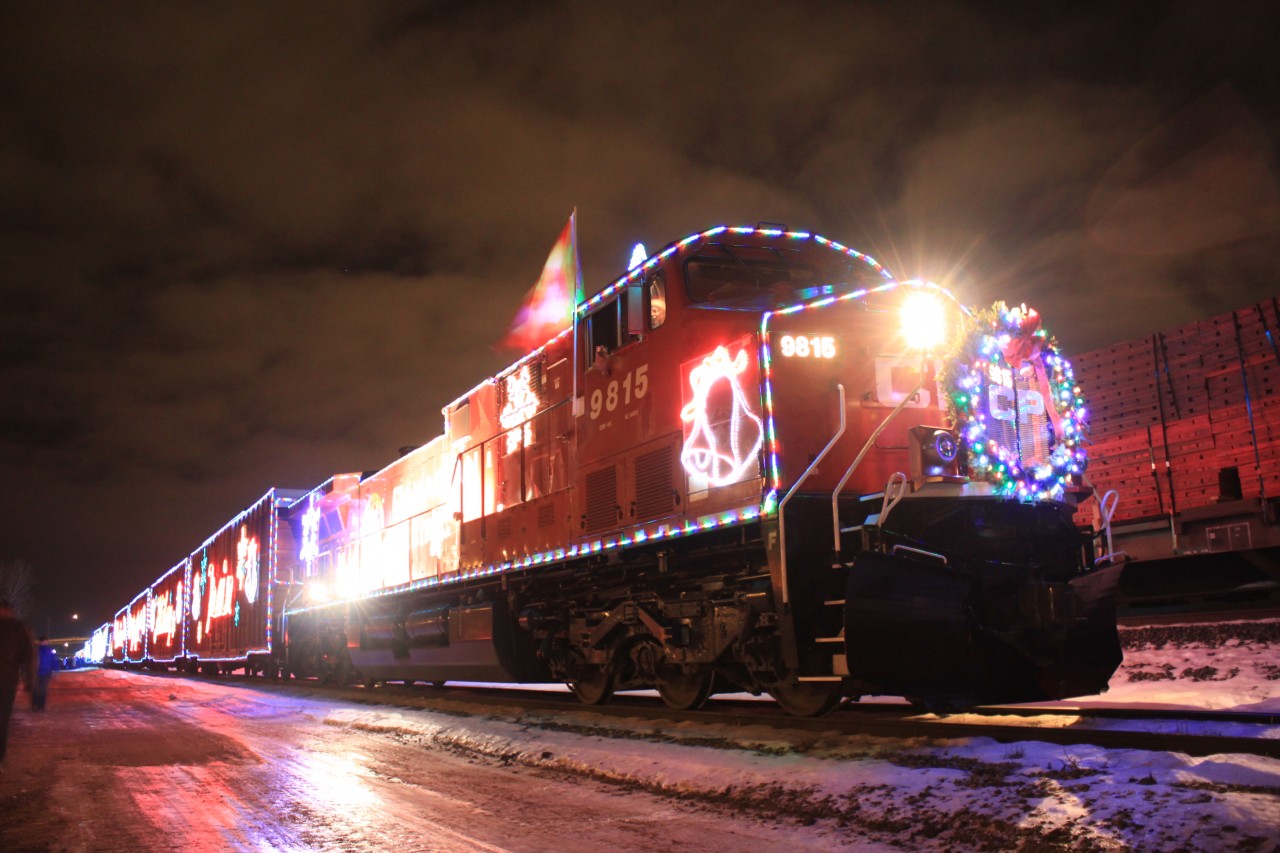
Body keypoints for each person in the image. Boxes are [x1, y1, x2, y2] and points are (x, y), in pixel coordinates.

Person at [0, 599, 34, 766]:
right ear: (10, 611)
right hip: (7, 680)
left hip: (7, 679)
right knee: (2, 720)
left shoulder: (18, 628)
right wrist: (29, 681)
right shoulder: (18, 628)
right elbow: (28, 656)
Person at [32, 635, 58, 711]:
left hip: (36, 672)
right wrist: (56, 670)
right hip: (45, 672)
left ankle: (35, 704)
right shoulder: (49, 650)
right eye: (46, 641)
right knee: (42, 689)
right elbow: (54, 661)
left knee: (36, 688)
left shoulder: (35, 650)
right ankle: (41, 705)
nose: (47, 642)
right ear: (42, 641)